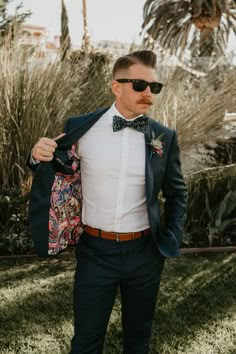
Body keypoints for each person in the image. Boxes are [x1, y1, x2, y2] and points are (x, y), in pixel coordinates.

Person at [28, 50, 187, 354]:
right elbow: (54, 167)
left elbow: (178, 193)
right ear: (116, 86)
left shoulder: (164, 137)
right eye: (140, 85)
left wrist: (171, 237)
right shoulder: (82, 127)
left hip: (145, 253)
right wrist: (37, 155)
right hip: (95, 253)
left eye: (154, 87)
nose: (148, 94)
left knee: (138, 340)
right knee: (86, 341)